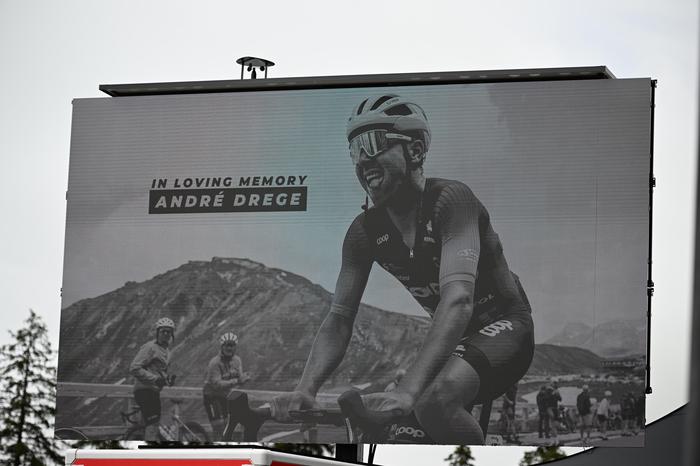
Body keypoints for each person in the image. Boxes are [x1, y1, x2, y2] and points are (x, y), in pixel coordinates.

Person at [271, 94, 534, 444]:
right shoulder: (363, 233)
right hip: (458, 341)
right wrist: (306, 388)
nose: (363, 160)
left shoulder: (451, 202)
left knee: (433, 403)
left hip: (507, 326)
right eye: (354, 150)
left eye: (372, 143)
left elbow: (458, 300)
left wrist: (409, 391)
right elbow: (338, 319)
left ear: (415, 152)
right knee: (388, 429)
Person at [129, 317, 175, 441]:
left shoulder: (167, 351)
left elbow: (159, 372)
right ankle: (148, 456)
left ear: (172, 334)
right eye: (163, 331)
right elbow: (134, 368)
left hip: (154, 392)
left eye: (168, 331)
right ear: (157, 332)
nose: (166, 334)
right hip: (143, 391)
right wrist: (155, 379)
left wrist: (167, 380)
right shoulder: (149, 347)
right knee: (153, 423)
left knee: (151, 424)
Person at [202, 332, 249, 440]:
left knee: (230, 425)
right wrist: (237, 381)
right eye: (227, 345)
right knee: (218, 426)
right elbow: (217, 384)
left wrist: (243, 378)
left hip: (225, 396)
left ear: (235, 347)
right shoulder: (215, 362)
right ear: (222, 347)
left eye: (232, 345)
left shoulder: (237, 360)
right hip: (211, 396)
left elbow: (239, 377)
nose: (229, 348)